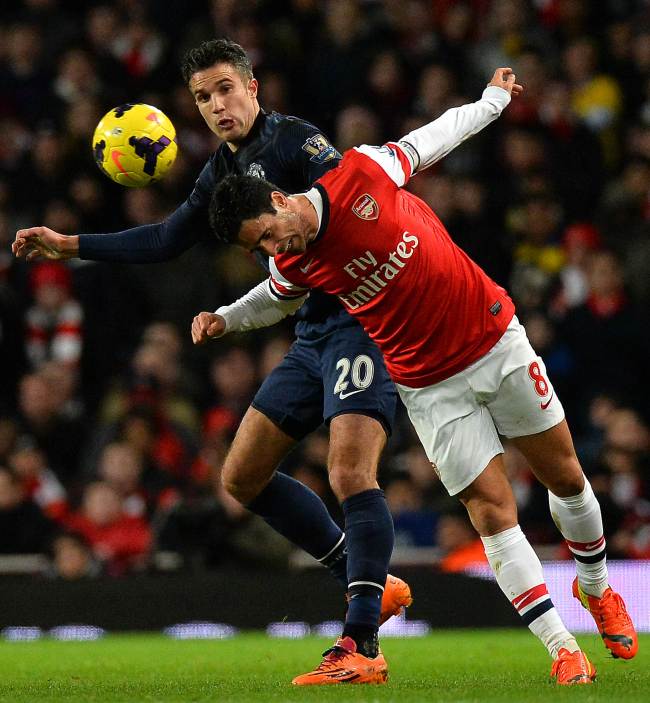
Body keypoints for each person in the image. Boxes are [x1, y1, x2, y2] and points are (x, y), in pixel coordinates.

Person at [194, 67, 638, 686]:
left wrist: (490, 101)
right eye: (262, 247)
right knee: (491, 510)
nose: (276, 248)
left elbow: (431, 139)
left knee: (565, 475)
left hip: (493, 339)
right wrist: (226, 319)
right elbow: (277, 295)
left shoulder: (360, 175)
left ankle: (598, 590)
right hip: (427, 385)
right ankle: (563, 648)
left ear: (278, 200)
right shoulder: (297, 262)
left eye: (271, 234)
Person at [12, 38, 411, 677]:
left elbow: (360, 205)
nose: (217, 105)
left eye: (226, 88)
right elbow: (166, 239)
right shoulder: (220, 174)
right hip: (310, 330)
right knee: (241, 477)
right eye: (203, 97)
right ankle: (369, 581)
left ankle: (361, 643)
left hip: (361, 319)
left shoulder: (295, 142)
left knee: (350, 474)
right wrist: (70, 244)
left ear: (254, 87)